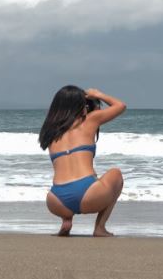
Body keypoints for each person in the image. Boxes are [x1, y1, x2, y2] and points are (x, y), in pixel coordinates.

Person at [39, 85, 126, 237]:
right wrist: (98, 94)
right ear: (79, 106)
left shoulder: (50, 131)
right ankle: (100, 228)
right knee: (116, 174)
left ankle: (66, 220)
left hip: (56, 201)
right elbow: (120, 106)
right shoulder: (89, 121)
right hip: (88, 195)